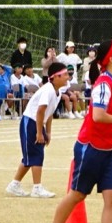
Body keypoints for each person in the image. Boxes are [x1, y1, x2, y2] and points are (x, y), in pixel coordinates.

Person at [38, 39, 112, 223]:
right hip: (91, 147)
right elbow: (98, 116)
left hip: (111, 148)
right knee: (77, 194)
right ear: (111, 59)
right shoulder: (104, 83)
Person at [5, 62, 70, 199]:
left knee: (30, 156)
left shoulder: (57, 92)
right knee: (36, 155)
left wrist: (49, 132)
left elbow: (49, 112)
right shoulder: (48, 89)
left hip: (37, 123)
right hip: (31, 122)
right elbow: (40, 111)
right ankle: (37, 188)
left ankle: (14, 184)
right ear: (55, 77)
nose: (67, 77)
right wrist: (39, 132)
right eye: (64, 74)